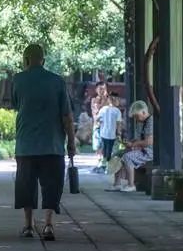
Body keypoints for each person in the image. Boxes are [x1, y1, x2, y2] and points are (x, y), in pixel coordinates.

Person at [11, 43, 77, 240]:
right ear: (44, 60)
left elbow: (16, 104)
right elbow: (67, 115)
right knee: (52, 185)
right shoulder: (57, 82)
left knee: (26, 185)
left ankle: (28, 225)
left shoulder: (18, 80)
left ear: (25, 60)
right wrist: (71, 142)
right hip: (53, 144)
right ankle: (48, 225)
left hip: (26, 144)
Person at [108, 100, 154, 192]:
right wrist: (129, 143)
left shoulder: (150, 122)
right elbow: (138, 139)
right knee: (118, 154)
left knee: (127, 157)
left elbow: (149, 141)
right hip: (140, 149)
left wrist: (133, 144)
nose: (136, 119)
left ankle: (131, 184)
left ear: (144, 112)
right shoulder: (140, 122)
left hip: (149, 151)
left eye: (136, 116)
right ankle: (117, 184)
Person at [93, 94, 123, 173]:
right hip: (112, 134)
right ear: (115, 100)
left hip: (103, 133)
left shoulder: (103, 109)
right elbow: (119, 124)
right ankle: (108, 165)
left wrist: (101, 122)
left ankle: (103, 165)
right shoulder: (117, 111)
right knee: (109, 150)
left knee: (104, 148)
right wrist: (119, 134)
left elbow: (97, 119)